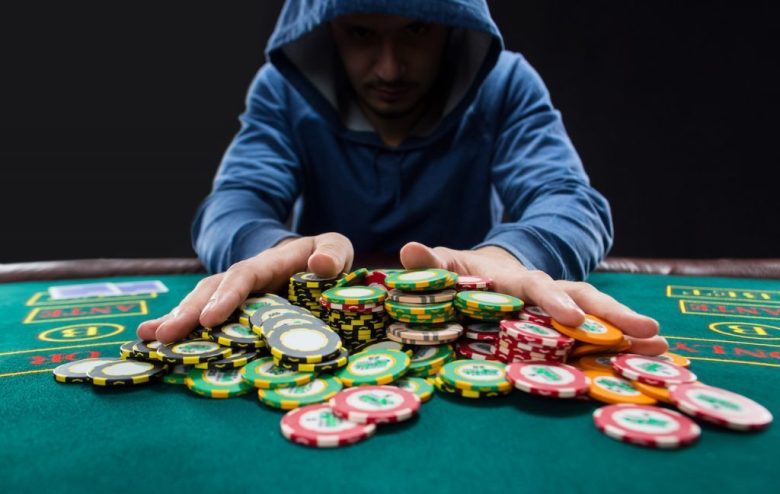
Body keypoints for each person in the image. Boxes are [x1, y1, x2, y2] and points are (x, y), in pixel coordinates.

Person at [137, 0, 667, 356]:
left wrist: (508, 257)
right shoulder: (283, 89)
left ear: (453, 28)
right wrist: (271, 249)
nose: (389, 69)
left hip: (466, 336)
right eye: (361, 33)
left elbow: (570, 200)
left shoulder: (506, 82)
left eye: (417, 30)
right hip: (321, 333)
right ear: (326, 33)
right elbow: (232, 203)